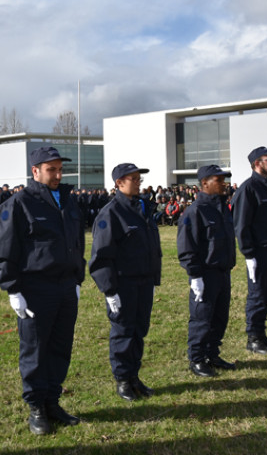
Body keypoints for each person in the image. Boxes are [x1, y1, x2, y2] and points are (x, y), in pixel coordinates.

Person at [0, 146, 85, 436]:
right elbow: (4, 250)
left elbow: (77, 242)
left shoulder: (67, 202)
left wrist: (77, 279)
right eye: (51, 169)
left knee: (59, 347)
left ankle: (52, 401)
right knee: (35, 350)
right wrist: (13, 289)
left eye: (59, 169)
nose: (57, 174)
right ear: (35, 171)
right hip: (35, 288)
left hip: (65, 287)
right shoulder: (18, 205)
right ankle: (36, 408)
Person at [89, 163, 161, 400]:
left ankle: (133, 376)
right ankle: (122, 380)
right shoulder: (111, 213)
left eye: (139, 178)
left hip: (144, 281)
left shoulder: (142, 208)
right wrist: (109, 290)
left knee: (139, 330)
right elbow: (101, 256)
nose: (138, 182)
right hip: (123, 284)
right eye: (133, 179)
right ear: (119, 183)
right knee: (123, 332)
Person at [177, 165, 237, 377]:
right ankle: (197, 358)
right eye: (218, 180)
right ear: (205, 183)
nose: (224, 184)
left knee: (220, 317)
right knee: (202, 317)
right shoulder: (195, 211)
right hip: (205, 274)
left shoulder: (222, 208)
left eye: (223, 180)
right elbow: (187, 246)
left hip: (223, 271)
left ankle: (212, 353)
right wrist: (194, 275)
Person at [231, 146, 267, 355]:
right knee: (258, 295)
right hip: (258, 251)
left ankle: (261, 335)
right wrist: (248, 254)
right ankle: (253, 338)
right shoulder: (249, 188)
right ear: (257, 163)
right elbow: (241, 224)